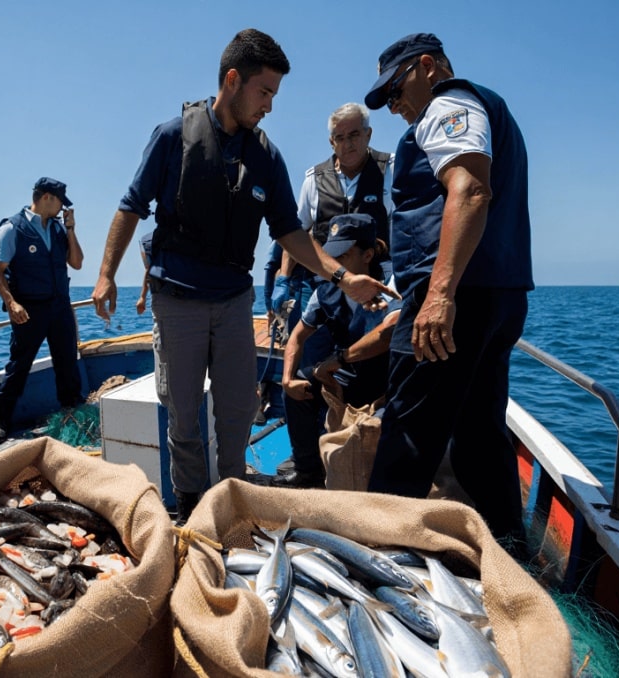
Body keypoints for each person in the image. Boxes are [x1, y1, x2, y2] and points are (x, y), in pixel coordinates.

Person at [91, 28, 393, 522]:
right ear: (233, 80)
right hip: (178, 299)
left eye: (274, 94)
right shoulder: (171, 137)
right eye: (265, 92)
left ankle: (230, 499)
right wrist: (106, 275)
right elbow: (130, 206)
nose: (270, 106)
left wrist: (343, 277)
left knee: (235, 413)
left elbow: (291, 233)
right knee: (184, 417)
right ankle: (191, 508)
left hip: (234, 300)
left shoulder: (266, 157)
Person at [363, 34, 533, 543]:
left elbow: (471, 189)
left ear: (427, 66)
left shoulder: (447, 105)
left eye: (396, 90)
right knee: (480, 438)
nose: (395, 107)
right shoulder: (487, 110)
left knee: (406, 437)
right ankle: (511, 549)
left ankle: (372, 558)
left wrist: (439, 295)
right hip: (499, 296)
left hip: (456, 299)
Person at [278, 214, 400, 488]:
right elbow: (297, 336)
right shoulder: (325, 290)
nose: (334, 265)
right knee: (297, 387)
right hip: (342, 380)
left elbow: (388, 334)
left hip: (385, 386)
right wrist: (287, 379)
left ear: (367, 254)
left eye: (342, 256)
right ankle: (308, 470)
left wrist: (341, 358)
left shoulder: (394, 283)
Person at [272, 102, 392, 322]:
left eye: (354, 135)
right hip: (323, 286)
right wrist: (284, 279)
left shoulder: (390, 171)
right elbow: (295, 232)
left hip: (375, 284)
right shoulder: (313, 180)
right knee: (310, 349)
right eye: (340, 138)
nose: (348, 144)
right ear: (331, 142)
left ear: (368, 134)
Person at [0, 178, 85, 444]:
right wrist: (11, 303)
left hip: (59, 307)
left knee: (67, 363)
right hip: (28, 309)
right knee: (19, 366)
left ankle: (72, 414)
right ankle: (2, 422)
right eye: (60, 203)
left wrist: (71, 229)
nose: (62, 209)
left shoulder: (58, 229)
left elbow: (76, 263)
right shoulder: (12, 228)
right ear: (45, 198)